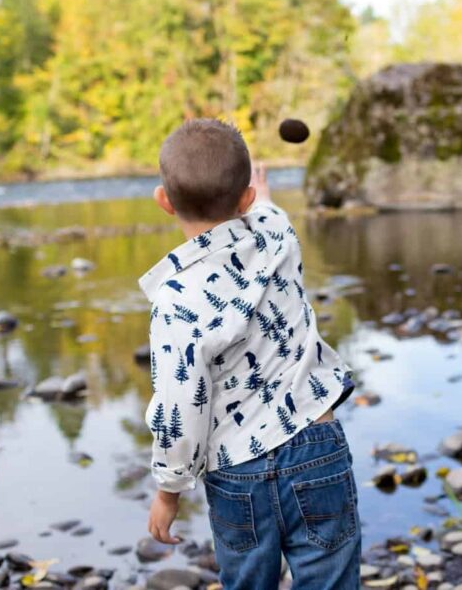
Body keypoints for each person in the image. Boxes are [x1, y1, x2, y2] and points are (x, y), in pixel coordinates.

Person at [139, 118, 359, 590]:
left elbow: (181, 403)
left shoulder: (177, 299)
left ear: (163, 200)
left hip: (237, 469)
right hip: (315, 444)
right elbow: (267, 210)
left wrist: (169, 489)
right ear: (247, 199)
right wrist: (258, 191)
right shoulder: (278, 233)